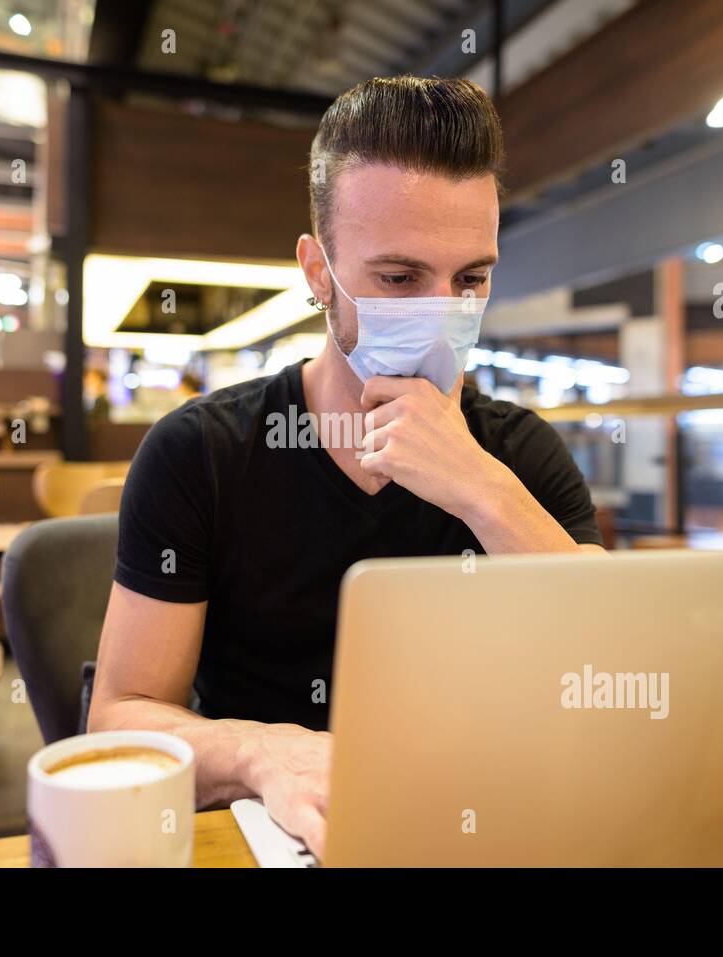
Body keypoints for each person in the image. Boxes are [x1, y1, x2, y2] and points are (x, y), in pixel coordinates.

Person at [87, 76, 605, 859]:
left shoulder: (519, 455)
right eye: (398, 279)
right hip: (263, 833)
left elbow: (612, 682)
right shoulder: (201, 453)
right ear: (317, 270)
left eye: (470, 278)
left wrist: (479, 487)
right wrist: (263, 754)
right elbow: (119, 714)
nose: (442, 312)